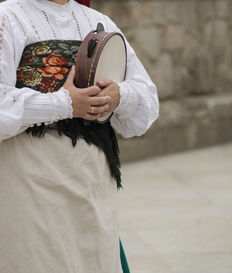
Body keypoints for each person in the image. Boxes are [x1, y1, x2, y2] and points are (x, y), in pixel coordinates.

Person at [0, 0, 159, 272]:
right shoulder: (7, 18)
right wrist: (64, 104)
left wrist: (118, 95)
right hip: (29, 181)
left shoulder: (99, 22)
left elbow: (146, 106)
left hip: (93, 183)